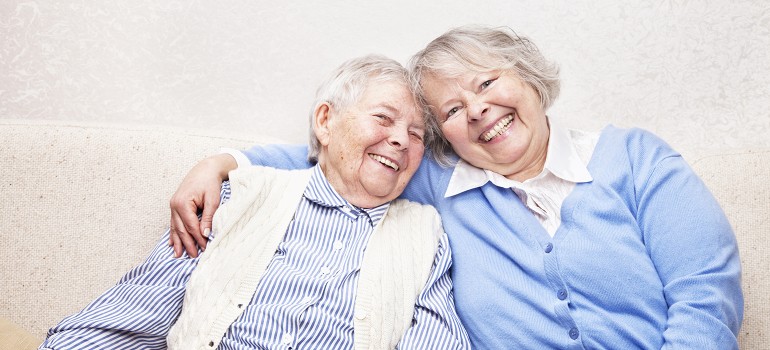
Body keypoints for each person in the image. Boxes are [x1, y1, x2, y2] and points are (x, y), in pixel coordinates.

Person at [169, 25, 744, 349]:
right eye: (450, 109)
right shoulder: (438, 184)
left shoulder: (635, 160)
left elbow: (705, 297)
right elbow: (339, 156)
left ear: (530, 78)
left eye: (488, 82)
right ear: (442, 134)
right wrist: (225, 163)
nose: (477, 110)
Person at [40, 55, 471, 349]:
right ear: (326, 121)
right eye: (383, 118)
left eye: (416, 134)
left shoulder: (424, 237)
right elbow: (125, 322)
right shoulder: (236, 200)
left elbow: (437, 340)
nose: (400, 140)